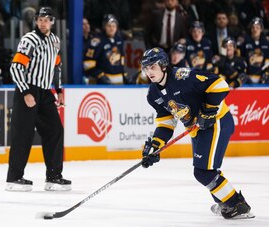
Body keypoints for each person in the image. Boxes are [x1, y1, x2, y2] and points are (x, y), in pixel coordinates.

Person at [139, 47, 254, 219]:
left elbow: (220, 85)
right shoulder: (153, 94)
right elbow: (166, 121)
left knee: (203, 172)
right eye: (146, 68)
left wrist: (208, 110)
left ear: (163, 65)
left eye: (152, 67)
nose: (149, 72)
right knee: (208, 169)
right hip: (198, 129)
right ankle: (226, 201)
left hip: (217, 122)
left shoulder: (183, 77)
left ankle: (236, 205)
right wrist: (156, 144)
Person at [5, 6, 71, 192]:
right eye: (40, 19)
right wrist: (26, 92)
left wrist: (58, 90)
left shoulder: (55, 41)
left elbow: (56, 67)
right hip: (28, 90)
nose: (43, 22)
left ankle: (54, 177)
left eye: (46, 19)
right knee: (23, 134)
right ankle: (14, 178)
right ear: (36, 21)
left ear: (52, 21)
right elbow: (16, 67)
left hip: (45, 93)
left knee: (55, 130)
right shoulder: (29, 39)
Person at [83, 14, 128, 84]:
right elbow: (88, 64)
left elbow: (121, 60)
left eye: (114, 26)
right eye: (109, 26)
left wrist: (124, 75)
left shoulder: (119, 40)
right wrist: (101, 76)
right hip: (102, 86)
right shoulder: (97, 41)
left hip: (119, 84)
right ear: (104, 27)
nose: (112, 28)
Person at [239, 17, 269, 85]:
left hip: (263, 76)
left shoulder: (266, 42)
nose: (255, 30)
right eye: (253, 27)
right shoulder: (245, 41)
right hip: (248, 76)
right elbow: (240, 58)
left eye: (257, 27)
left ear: (261, 29)